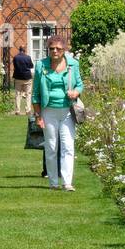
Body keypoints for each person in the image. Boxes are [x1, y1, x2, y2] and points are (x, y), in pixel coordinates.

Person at [31, 36, 82, 191]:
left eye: (58, 49)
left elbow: (79, 84)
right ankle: (53, 182)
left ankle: (67, 182)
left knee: (68, 146)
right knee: (52, 146)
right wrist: (38, 116)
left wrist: (76, 92)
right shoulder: (41, 66)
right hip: (49, 111)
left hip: (67, 111)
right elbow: (35, 94)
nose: (55, 51)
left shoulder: (73, 64)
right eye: (52, 48)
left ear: (64, 50)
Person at [11, 46, 35, 115]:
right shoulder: (28, 57)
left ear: (19, 49)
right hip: (27, 77)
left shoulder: (15, 57)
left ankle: (17, 110)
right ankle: (28, 110)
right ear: (25, 50)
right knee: (28, 94)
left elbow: (15, 66)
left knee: (18, 94)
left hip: (18, 77)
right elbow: (31, 66)